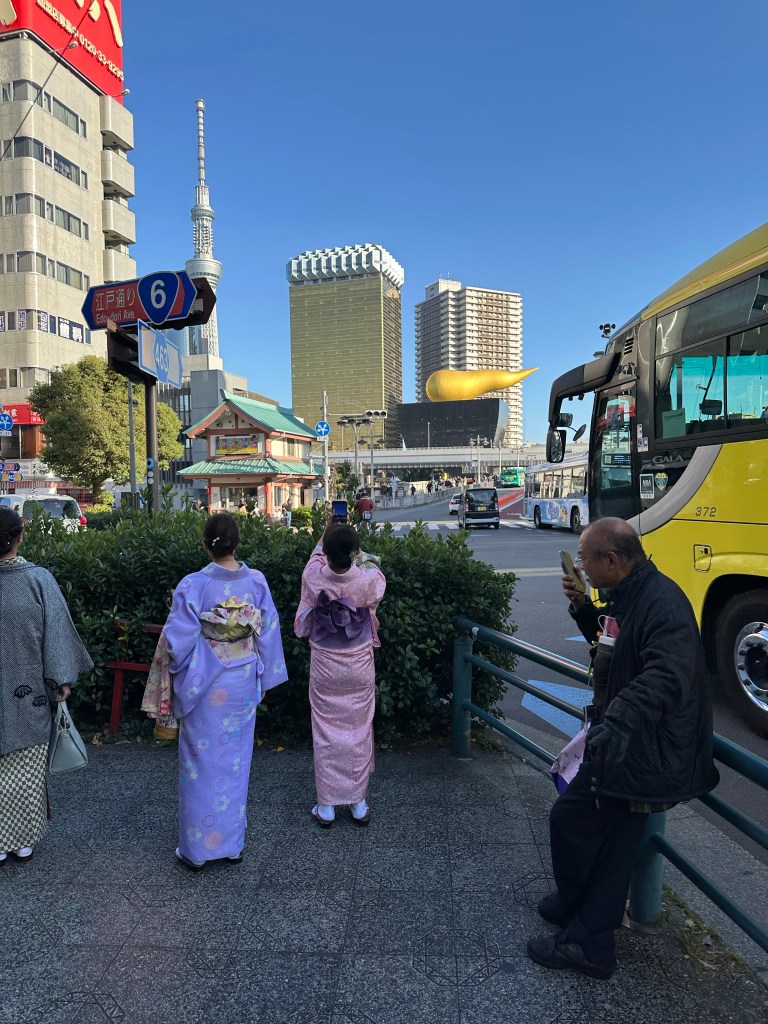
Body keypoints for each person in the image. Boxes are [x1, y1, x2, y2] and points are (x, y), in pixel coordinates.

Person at [527, 517, 718, 980]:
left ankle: (588, 935)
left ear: (612, 560)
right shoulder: (630, 594)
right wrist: (582, 608)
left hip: (644, 747)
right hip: (630, 740)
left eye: (585, 561)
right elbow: (607, 644)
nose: (581, 569)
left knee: (577, 821)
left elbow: (665, 676)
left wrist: (615, 720)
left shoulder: (663, 605)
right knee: (611, 838)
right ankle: (585, 921)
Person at [163, 512, 288, 869]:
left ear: (206, 545)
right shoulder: (256, 582)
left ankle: (197, 850)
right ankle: (231, 845)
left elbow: (177, 642)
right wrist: (264, 676)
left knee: (199, 761)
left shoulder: (193, 585)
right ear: (237, 543)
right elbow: (268, 631)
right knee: (235, 761)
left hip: (205, 681)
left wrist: (178, 667)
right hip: (241, 680)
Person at [0, 507, 92, 864]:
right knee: (25, 766)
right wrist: (61, 679)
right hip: (28, 691)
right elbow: (56, 634)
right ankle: (22, 841)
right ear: (20, 537)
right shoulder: (38, 580)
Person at [294, 523, 386, 827]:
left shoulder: (313, 575)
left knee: (325, 731)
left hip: (325, 664)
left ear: (327, 552)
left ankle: (327, 806)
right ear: (354, 552)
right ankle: (358, 803)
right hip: (358, 665)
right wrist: (358, 555)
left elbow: (314, 559)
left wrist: (324, 538)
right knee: (359, 728)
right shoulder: (369, 579)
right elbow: (375, 572)